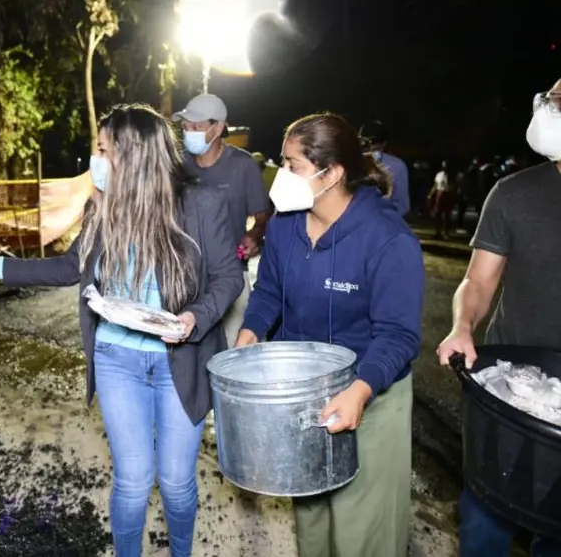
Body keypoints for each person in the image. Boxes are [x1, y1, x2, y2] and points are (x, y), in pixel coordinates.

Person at [0, 104, 242, 557]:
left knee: (175, 482)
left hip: (182, 358)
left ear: (132, 154)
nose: (95, 158)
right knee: (133, 480)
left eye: (102, 149)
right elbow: (69, 267)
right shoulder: (102, 208)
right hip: (117, 360)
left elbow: (229, 278)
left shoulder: (201, 203)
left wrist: (194, 318)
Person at [236, 113, 424, 557]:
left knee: (363, 532)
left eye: (291, 165)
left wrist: (360, 391)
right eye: (281, 163)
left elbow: (398, 335)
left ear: (332, 172)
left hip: (371, 394)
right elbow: (268, 293)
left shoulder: (386, 238)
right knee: (312, 517)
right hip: (307, 392)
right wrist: (251, 330)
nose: (280, 176)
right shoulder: (286, 225)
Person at [437, 80, 561, 557]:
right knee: (486, 524)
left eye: (556, 101)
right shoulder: (513, 194)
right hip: (515, 395)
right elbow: (480, 281)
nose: (546, 108)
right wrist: (462, 326)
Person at [173, 93, 271, 347]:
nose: (189, 133)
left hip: (229, 276)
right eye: (185, 128)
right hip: (184, 279)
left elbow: (262, 215)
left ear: (218, 127)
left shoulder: (243, 165)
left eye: (196, 127)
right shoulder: (177, 166)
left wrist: (254, 234)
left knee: (236, 354)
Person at [360, 119, 410, 216]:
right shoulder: (397, 165)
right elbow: (403, 205)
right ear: (384, 143)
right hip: (385, 224)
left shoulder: (346, 162)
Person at [428, 160, 455, 238]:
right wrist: (430, 194)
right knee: (438, 213)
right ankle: (438, 232)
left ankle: (446, 232)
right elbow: (436, 185)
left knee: (447, 214)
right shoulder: (439, 174)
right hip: (440, 193)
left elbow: (452, 186)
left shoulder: (451, 176)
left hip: (447, 194)